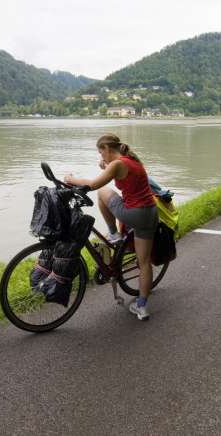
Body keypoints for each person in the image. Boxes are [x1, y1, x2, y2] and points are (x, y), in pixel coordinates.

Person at [64, 133, 157, 321]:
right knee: (144, 262)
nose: (101, 157)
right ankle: (141, 307)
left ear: (107, 149)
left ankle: (114, 234)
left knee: (102, 192)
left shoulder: (117, 164)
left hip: (133, 214)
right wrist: (106, 166)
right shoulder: (130, 160)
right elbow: (122, 172)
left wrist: (70, 178)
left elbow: (93, 184)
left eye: (101, 152)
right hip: (150, 213)